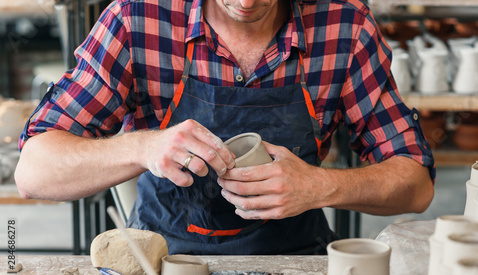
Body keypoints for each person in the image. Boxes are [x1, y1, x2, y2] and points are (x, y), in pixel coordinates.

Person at [15, 0, 435, 255]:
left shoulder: (345, 25)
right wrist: (142, 148)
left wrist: (322, 186)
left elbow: (416, 183)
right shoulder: (136, 18)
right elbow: (34, 171)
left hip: (295, 258)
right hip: (165, 258)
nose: (247, 5)